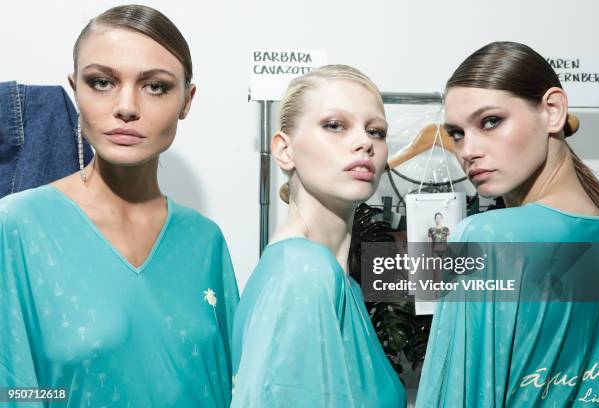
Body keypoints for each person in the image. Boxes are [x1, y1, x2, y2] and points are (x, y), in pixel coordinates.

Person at [0, 5, 238, 407]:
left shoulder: (205, 240)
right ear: (75, 89)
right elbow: (14, 390)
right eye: (102, 82)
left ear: (187, 100)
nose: (126, 106)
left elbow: (227, 384)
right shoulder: (18, 227)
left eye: (156, 86)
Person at [416, 41, 599, 406]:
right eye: (457, 133)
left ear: (552, 111)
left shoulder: (488, 238)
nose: (468, 150)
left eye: (491, 121)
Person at [231, 65, 407, 407]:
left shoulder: (336, 280)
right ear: (284, 150)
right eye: (334, 126)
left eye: (376, 131)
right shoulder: (307, 273)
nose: (364, 143)